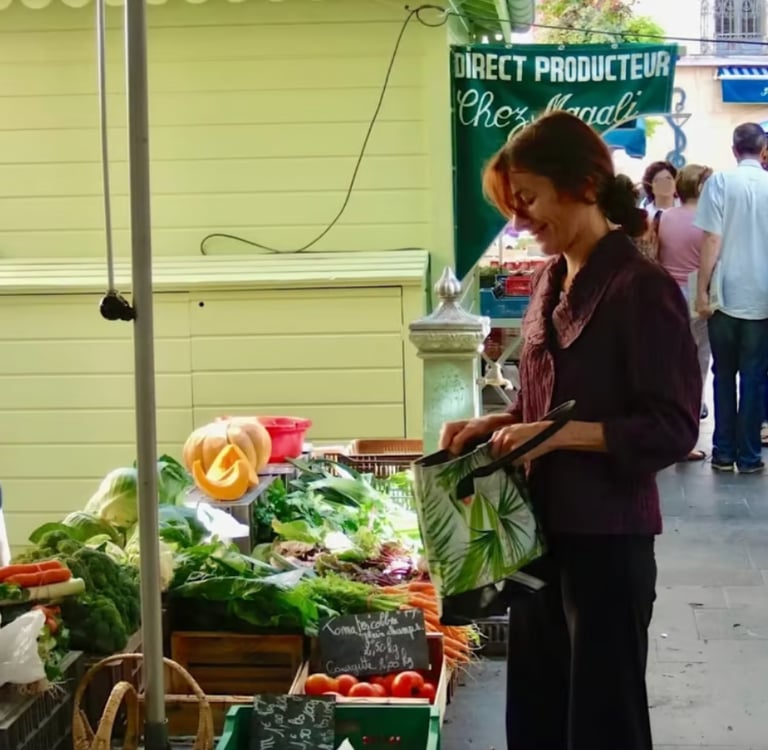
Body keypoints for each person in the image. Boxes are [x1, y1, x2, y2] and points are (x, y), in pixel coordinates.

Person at [440, 112, 701, 750]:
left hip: (609, 542)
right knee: (536, 708)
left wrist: (560, 436)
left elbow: (672, 426)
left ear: (582, 183)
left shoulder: (640, 288)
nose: (519, 218)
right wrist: (495, 422)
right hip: (532, 537)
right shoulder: (550, 282)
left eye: (527, 198)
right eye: (512, 204)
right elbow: (539, 403)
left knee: (603, 719)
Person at [695, 123, 768, 473]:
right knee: (754, 376)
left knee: (724, 374)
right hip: (763, 296)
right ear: (763, 149)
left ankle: (723, 452)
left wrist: (702, 291)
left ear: (734, 149)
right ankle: (751, 456)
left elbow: (711, 239)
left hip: (725, 293)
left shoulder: (720, 182)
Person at [657, 163, 714, 451]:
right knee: (698, 360)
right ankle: (692, 411)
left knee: (670, 360)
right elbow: (712, 260)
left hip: (666, 292)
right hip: (695, 292)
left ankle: (667, 416)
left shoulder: (664, 217)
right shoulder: (708, 221)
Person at [635, 160, 679, 258]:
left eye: (668, 179)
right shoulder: (644, 214)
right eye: (658, 180)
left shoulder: (686, 211)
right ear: (650, 186)